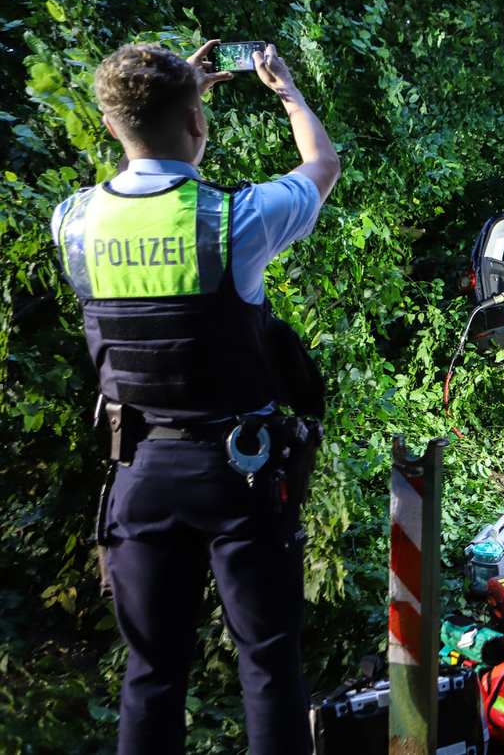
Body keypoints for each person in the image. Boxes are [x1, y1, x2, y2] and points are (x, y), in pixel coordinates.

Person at [50, 39, 340, 755]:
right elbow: (321, 167)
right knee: (269, 666)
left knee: (150, 674)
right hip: (236, 475)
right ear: (197, 122)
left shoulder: (73, 223)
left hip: (136, 474)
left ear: (113, 125)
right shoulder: (233, 221)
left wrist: (170, 100)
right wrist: (288, 94)